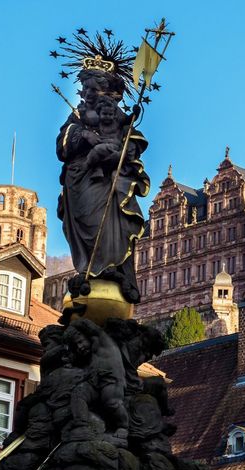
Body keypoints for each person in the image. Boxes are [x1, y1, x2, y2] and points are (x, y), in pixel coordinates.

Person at [56, 69, 150, 303]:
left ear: (107, 92)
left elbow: (132, 141)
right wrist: (85, 135)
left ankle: (114, 271)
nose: (87, 93)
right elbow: (61, 146)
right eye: (85, 88)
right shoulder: (77, 115)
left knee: (110, 224)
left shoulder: (115, 115)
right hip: (79, 179)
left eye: (93, 88)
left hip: (107, 180)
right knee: (88, 222)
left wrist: (125, 148)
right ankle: (89, 269)